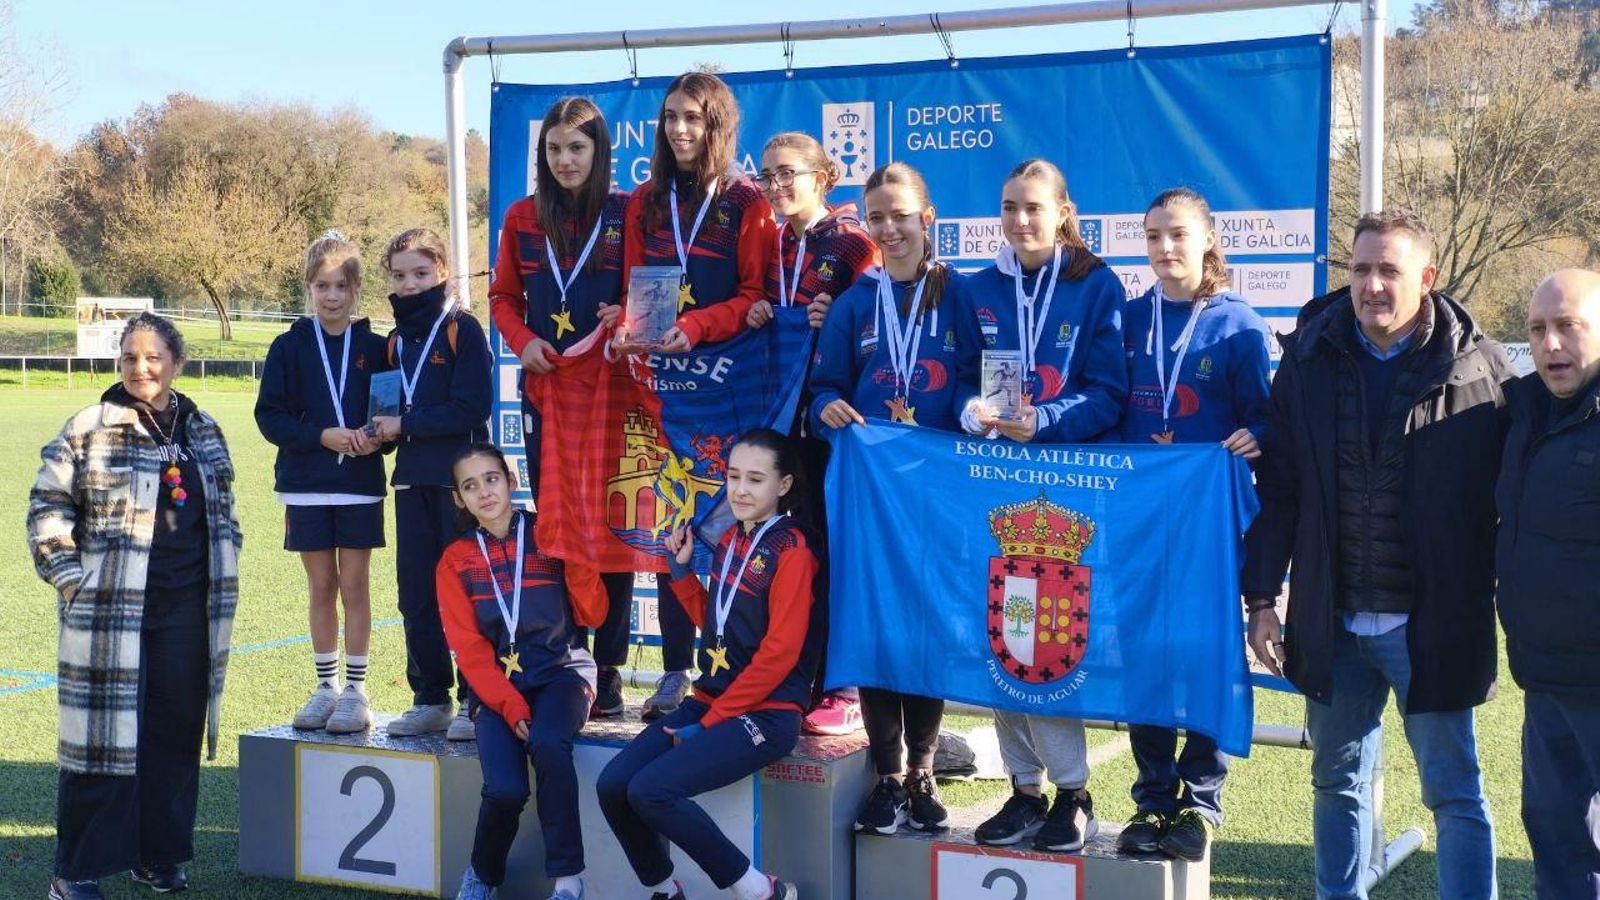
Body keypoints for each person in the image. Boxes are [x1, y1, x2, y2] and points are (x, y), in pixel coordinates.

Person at [1244, 209, 1510, 900]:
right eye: (1360, 269)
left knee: (1454, 795)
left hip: (1433, 627)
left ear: (1427, 277)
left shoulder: (1480, 370)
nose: (1371, 285)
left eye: (1389, 270)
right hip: (1332, 622)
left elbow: (1505, 506)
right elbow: (1281, 491)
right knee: (1336, 783)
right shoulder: (1306, 358)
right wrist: (1264, 599)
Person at [28, 313, 242, 900]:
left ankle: (159, 857)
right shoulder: (89, 427)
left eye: (153, 358)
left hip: (188, 611)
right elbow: (46, 507)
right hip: (110, 614)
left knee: (173, 737)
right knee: (101, 742)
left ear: (176, 362)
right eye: (129, 358)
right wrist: (73, 581)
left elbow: (226, 513)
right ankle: (75, 873)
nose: (141, 368)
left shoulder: (204, 429)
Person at [960, 159, 1127, 853]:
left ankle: (1074, 792)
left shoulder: (1096, 285)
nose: (1020, 220)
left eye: (1034, 207)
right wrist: (972, 415)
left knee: (1048, 645)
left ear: (1063, 210)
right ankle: (1025, 790)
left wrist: (1049, 421)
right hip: (993, 488)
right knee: (1002, 639)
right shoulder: (979, 288)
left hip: (1067, 496)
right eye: (1009, 207)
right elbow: (956, 385)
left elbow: (1112, 392)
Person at [809, 161, 978, 835]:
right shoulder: (856, 301)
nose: (889, 228)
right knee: (877, 626)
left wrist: (971, 411)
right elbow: (823, 386)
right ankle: (886, 774)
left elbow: (976, 384)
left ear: (926, 218)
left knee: (927, 628)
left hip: (938, 496)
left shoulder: (960, 298)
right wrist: (830, 407)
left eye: (900, 215)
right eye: (876, 218)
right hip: (872, 496)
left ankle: (924, 771)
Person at [1115, 188, 1272, 862]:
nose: (1164, 249)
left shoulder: (1238, 325)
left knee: (1208, 655)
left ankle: (1201, 802)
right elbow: (1104, 409)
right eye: (1152, 236)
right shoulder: (1126, 320)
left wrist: (1254, 435)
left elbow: (1270, 419)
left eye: (1177, 235)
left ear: (1207, 239)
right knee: (1145, 660)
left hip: (1208, 529)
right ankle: (1152, 800)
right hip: (1139, 525)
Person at [616, 71, 777, 721]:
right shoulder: (644, 203)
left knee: (734, 537)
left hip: (731, 396)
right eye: (671, 117)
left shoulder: (746, 201)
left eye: (694, 118)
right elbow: (635, 286)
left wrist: (696, 327)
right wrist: (624, 328)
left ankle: (736, 666)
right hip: (665, 396)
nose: (679, 129)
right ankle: (678, 670)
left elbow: (755, 296)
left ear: (718, 126)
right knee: (670, 534)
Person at [596, 429, 815, 900]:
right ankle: (663, 888)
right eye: (734, 476)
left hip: (767, 713)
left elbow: (778, 655)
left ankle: (761, 890)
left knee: (651, 790)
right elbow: (716, 625)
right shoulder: (733, 539)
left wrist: (711, 723)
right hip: (713, 701)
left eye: (755, 479)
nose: (740, 489)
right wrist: (680, 573)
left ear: (784, 485)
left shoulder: (792, 550)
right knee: (613, 784)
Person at [487, 97, 634, 720]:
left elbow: (648, 289)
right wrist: (524, 343)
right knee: (558, 523)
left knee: (616, 525)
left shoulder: (628, 213)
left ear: (599, 151)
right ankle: (570, 654)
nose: (565, 160)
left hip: (613, 392)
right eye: (554, 149)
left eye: (577, 147)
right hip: (547, 388)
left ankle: (610, 666)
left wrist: (623, 313)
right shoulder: (523, 217)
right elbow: (500, 298)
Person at [751, 131, 878, 737]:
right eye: (768, 174)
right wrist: (757, 311)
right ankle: (795, 676)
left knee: (834, 557)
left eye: (789, 173)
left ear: (823, 177)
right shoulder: (771, 243)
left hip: (833, 423)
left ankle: (845, 685)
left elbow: (880, 322)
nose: (776, 185)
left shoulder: (854, 243)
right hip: (779, 425)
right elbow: (756, 303)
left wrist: (840, 321)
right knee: (789, 557)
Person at [439, 444, 605, 900]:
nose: (484, 492)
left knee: (550, 744)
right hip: (496, 689)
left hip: (562, 674)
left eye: (491, 479)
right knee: (506, 790)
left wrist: (582, 561)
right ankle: (483, 876)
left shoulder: (551, 534)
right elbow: (470, 653)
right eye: (470, 486)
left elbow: (594, 611)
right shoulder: (454, 560)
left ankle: (569, 882)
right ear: (459, 499)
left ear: (511, 480)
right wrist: (510, 707)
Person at [255, 231, 389, 735]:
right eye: (321, 286)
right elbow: (270, 418)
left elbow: (390, 414)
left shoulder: (377, 347)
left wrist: (378, 439)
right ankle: (326, 684)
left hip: (359, 483)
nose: (331, 296)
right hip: (305, 484)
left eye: (341, 287)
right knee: (321, 585)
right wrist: (321, 436)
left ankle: (356, 690)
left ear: (356, 291)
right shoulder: (288, 346)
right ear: (308, 288)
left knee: (355, 584)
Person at [1495, 268, 1600, 899]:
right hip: (1546, 672)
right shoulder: (1523, 411)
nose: (1551, 344)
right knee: (1557, 835)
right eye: (1538, 329)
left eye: (1569, 327)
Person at [371, 226, 495, 741]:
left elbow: (473, 407)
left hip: (461, 485)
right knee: (416, 593)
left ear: (443, 273)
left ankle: (476, 697)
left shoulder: (462, 330)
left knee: (469, 591)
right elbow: (388, 410)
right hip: (412, 482)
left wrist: (406, 424)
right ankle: (429, 698)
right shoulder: (395, 342)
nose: (411, 284)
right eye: (400, 276)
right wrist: (376, 432)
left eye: (422, 273)